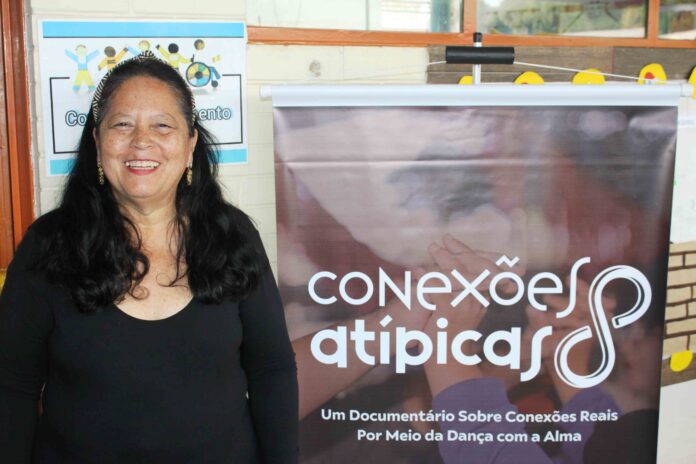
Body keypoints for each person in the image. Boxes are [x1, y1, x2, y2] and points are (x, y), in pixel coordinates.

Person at [0, 51, 298, 463]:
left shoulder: (232, 236)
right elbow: (12, 385)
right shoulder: (49, 244)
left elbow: (272, 369)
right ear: (97, 141)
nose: (141, 140)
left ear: (190, 144)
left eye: (163, 125)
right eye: (122, 124)